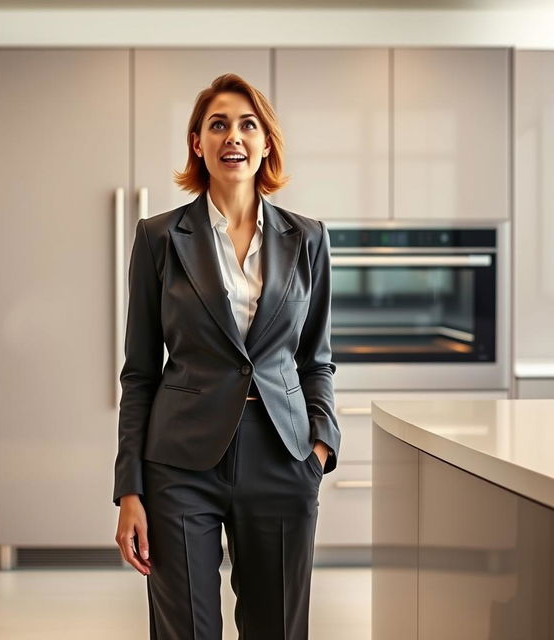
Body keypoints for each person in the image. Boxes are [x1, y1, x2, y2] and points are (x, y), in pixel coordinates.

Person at [113, 72, 340, 640]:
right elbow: (139, 372)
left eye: (247, 124)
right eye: (217, 125)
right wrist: (130, 489)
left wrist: (320, 446)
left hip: (283, 457)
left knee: (277, 629)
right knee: (185, 628)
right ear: (197, 142)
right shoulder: (159, 237)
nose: (232, 136)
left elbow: (317, 359)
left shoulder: (307, 238)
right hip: (180, 464)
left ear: (265, 143)